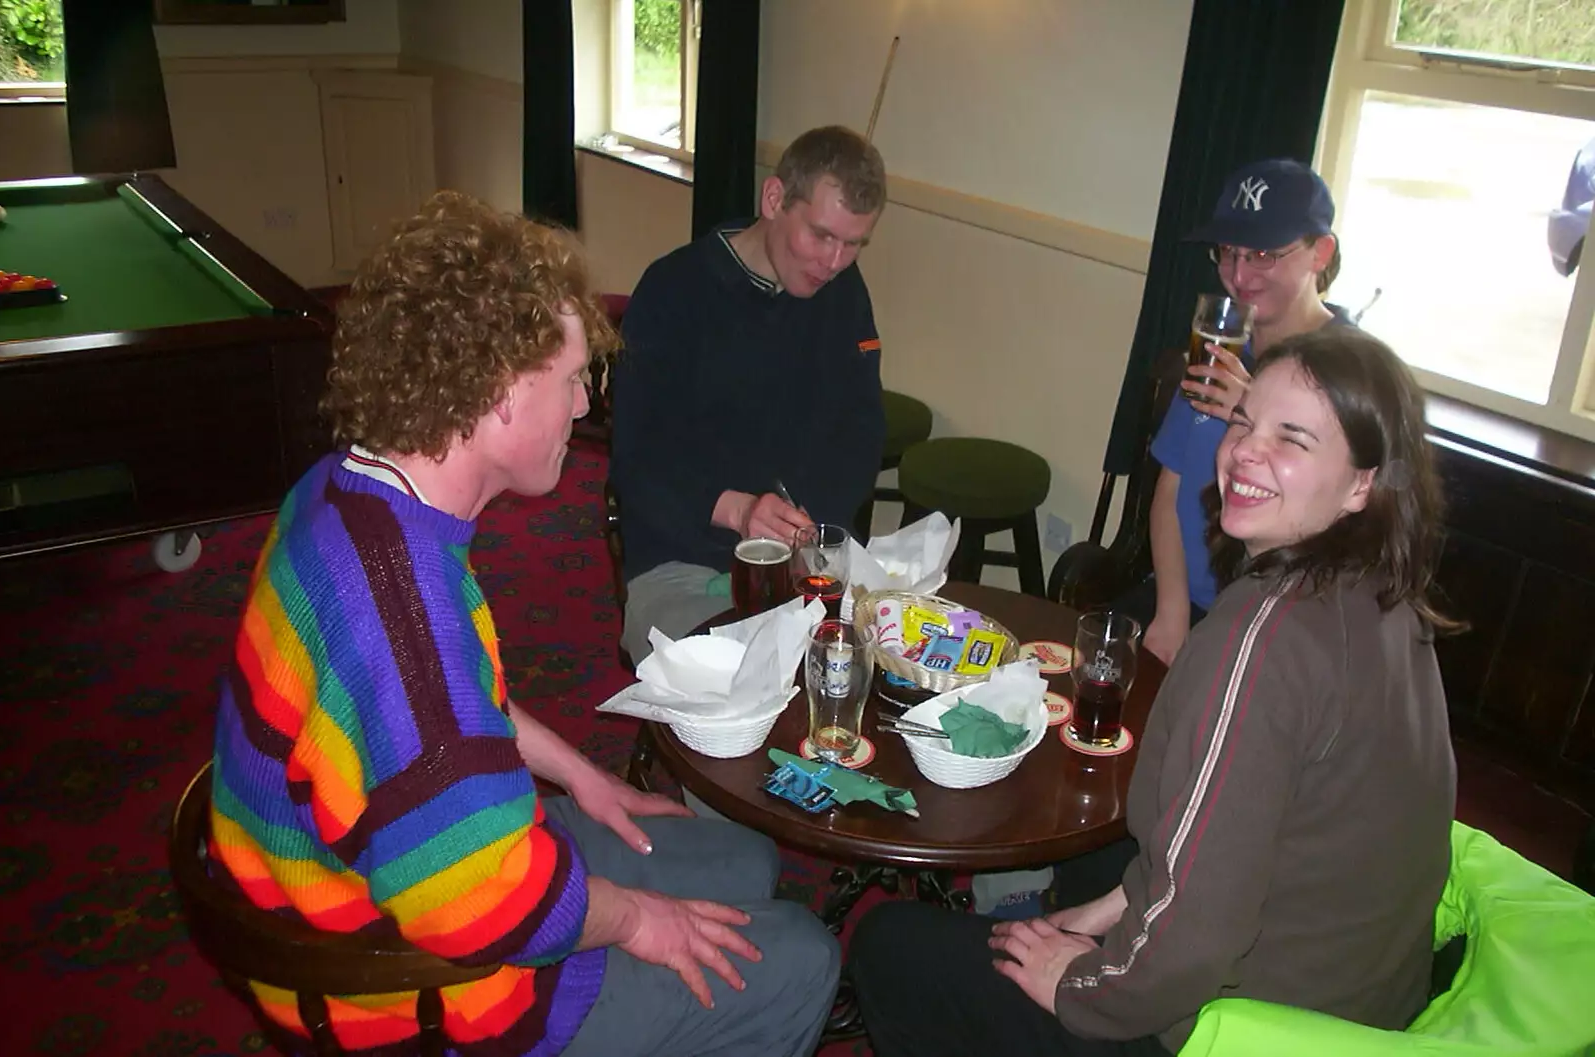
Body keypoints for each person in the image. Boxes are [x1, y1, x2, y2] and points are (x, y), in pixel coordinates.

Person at [206, 191, 840, 1057]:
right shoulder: (402, 606)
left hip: (357, 865)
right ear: (501, 392)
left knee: (742, 862)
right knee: (802, 956)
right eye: (576, 380)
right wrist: (633, 921)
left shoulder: (353, 494)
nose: (584, 410)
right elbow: (483, 903)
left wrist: (584, 777)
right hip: (401, 979)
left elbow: (453, 709)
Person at [849, 326, 1458, 1057]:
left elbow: (1199, 936)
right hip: (1366, 1006)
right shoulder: (1395, 603)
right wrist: (1095, 918)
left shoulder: (1261, 642)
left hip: (1249, 1029)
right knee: (1098, 867)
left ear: (1362, 481)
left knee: (891, 945)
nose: (1244, 451)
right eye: (1243, 420)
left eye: (1293, 438)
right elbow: (1218, 847)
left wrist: (1079, 983)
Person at [612, 125, 887, 663]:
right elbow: (637, 462)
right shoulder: (674, 292)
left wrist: (814, 526)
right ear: (774, 198)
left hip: (807, 560)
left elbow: (861, 429)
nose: (834, 262)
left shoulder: (843, 295)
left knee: (891, 659)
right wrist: (736, 511)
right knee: (732, 679)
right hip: (685, 559)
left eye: (853, 244)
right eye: (821, 236)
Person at [1139, 158, 1352, 665]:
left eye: (1262, 254)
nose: (1238, 275)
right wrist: (1171, 615)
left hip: (1276, 624)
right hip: (1179, 601)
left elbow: (1342, 532)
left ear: (1319, 252)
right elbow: (1169, 493)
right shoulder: (1216, 354)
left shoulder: (1354, 373)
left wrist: (1253, 414)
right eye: (1229, 253)